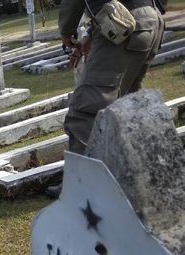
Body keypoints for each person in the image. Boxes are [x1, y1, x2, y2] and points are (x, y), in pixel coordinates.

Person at [60, 0, 166, 154]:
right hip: (151, 19)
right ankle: (145, 168)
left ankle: (88, 176)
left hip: (124, 23)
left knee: (84, 116)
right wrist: (92, 32)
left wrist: (66, 31)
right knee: (128, 103)